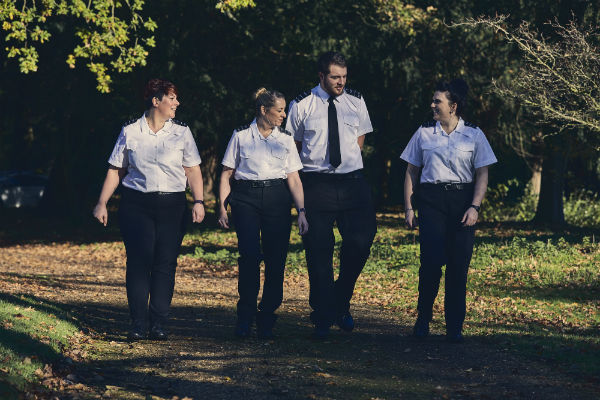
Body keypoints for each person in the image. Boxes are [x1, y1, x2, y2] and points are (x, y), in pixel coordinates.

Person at [93, 78, 205, 341]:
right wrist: (102, 202)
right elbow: (116, 169)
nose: (177, 103)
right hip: (137, 204)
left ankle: (159, 323)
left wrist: (198, 201)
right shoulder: (130, 131)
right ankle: (137, 323)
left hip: (172, 205)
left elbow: (193, 169)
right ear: (156, 101)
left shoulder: (181, 132)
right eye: (172, 98)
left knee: (165, 263)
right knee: (139, 263)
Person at [286, 51, 377, 339]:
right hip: (316, 184)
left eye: (344, 77)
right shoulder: (301, 105)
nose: (341, 82)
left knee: (361, 241)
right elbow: (294, 147)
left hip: (352, 183)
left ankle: (340, 300)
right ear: (321, 76)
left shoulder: (356, 101)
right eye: (335, 77)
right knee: (318, 250)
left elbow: (359, 140)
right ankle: (324, 313)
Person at [400, 79, 497, 343]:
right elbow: (411, 170)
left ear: (453, 106)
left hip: (463, 202)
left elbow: (482, 174)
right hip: (431, 201)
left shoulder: (474, 135)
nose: (432, 105)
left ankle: (454, 326)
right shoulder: (423, 133)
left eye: (437, 101)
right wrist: (409, 207)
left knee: (458, 266)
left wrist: (475, 206)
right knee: (430, 263)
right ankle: (423, 320)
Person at [218, 88, 308, 339]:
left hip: (277, 198)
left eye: (284, 110)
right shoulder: (241, 136)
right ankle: (244, 317)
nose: (283, 115)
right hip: (245, 198)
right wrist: (222, 207)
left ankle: (267, 315)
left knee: (276, 259)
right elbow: (227, 174)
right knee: (248, 256)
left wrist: (301, 211)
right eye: (279, 110)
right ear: (263, 110)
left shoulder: (285, 138)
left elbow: (294, 178)